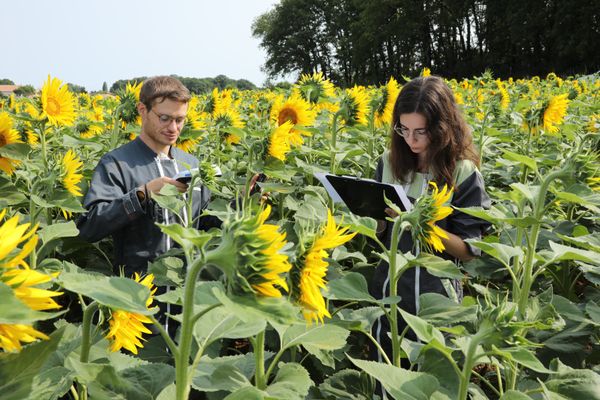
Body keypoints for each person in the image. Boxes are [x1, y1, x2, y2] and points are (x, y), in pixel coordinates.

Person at [369, 75, 491, 366]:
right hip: (388, 287)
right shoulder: (388, 163)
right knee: (387, 371)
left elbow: (470, 250)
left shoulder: (463, 173)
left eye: (420, 132)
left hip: (437, 297)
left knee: (433, 372)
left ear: (441, 129)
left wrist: (421, 225)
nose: (410, 140)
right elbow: (378, 233)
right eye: (403, 129)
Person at [77, 76, 220, 277]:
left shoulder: (191, 164)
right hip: (139, 293)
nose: (173, 128)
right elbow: (90, 227)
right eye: (165, 118)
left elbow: (203, 220)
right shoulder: (117, 164)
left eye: (180, 120)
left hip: (186, 294)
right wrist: (143, 194)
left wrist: (243, 202)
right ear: (142, 110)